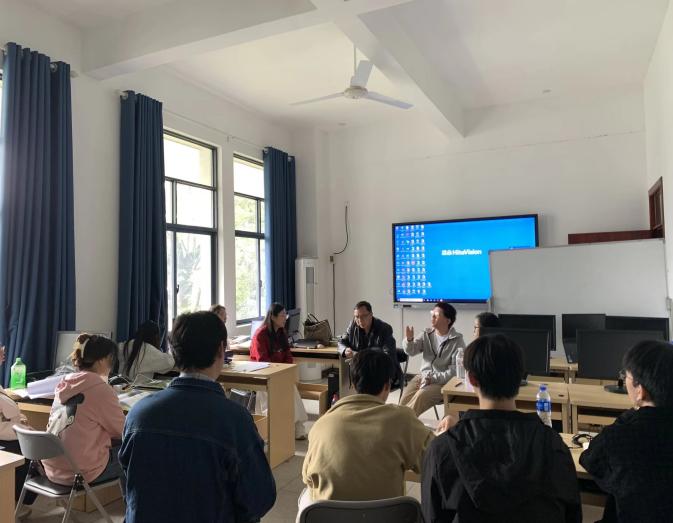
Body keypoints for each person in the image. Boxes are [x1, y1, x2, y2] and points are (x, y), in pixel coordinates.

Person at [120, 311, 276, 523]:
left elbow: (129, 482)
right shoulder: (235, 420)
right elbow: (260, 498)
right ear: (221, 349)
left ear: (173, 352)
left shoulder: (138, 414)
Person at [421, 334, 581, 522]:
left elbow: (431, 516)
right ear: (521, 377)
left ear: (471, 379)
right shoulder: (553, 444)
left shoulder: (441, 449)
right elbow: (572, 514)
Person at [301, 349, 445, 511]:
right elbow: (436, 460)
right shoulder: (402, 420)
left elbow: (307, 477)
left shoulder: (321, 424)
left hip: (330, 516)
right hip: (386, 516)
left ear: (353, 383)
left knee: (307, 498)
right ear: (387, 386)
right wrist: (444, 434)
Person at [579, 340, 673, 522]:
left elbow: (589, 459)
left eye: (626, 376)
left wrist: (635, 411)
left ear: (640, 390)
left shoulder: (620, 437)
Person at [43, 334, 126, 489]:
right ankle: (133, 505)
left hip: (53, 469)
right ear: (103, 360)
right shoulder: (101, 390)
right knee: (135, 451)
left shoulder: (63, 385)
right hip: (83, 472)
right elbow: (122, 431)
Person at [251, 302, 309, 439]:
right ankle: (275, 429)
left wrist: (286, 370)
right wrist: (279, 372)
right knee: (276, 394)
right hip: (263, 374)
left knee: (292, 390)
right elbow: (263, 360)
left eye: (285, 315)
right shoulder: (261, 334)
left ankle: (297, 427)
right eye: (282, 315)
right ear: (273, 317)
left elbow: (288, 354)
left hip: (280, 372)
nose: (285, 318)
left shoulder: (281, 332)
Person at [400, 302, 466, 416]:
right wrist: (409, 340)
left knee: (421, 396)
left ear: (448, 320)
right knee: (403, 402)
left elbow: (454, 372)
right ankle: (399, 421)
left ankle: (401, 422)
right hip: (423, 377)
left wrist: (432, 379)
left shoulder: (457, 341)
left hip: (442, 382)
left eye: (436, 315)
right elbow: (411, 351)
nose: (432, 317)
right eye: (432, 314)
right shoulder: (426, 334)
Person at [0, 346, 37, 512]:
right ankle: (15, 503)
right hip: (6, 440)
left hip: (7, 435)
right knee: (34, 449)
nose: (3, 354)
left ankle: (17, 501)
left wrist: (18, 418)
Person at [338, 300, 402, 386]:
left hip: (382, 372)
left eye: (364, 316)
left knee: (363, 383)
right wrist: (345, 350)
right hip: (363, 371)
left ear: (371, 315)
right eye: (357, 317)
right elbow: (341, 341)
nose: (360, 320)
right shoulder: (353, 325)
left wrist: (359, 356)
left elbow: (387, 357)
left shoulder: (384, 329)